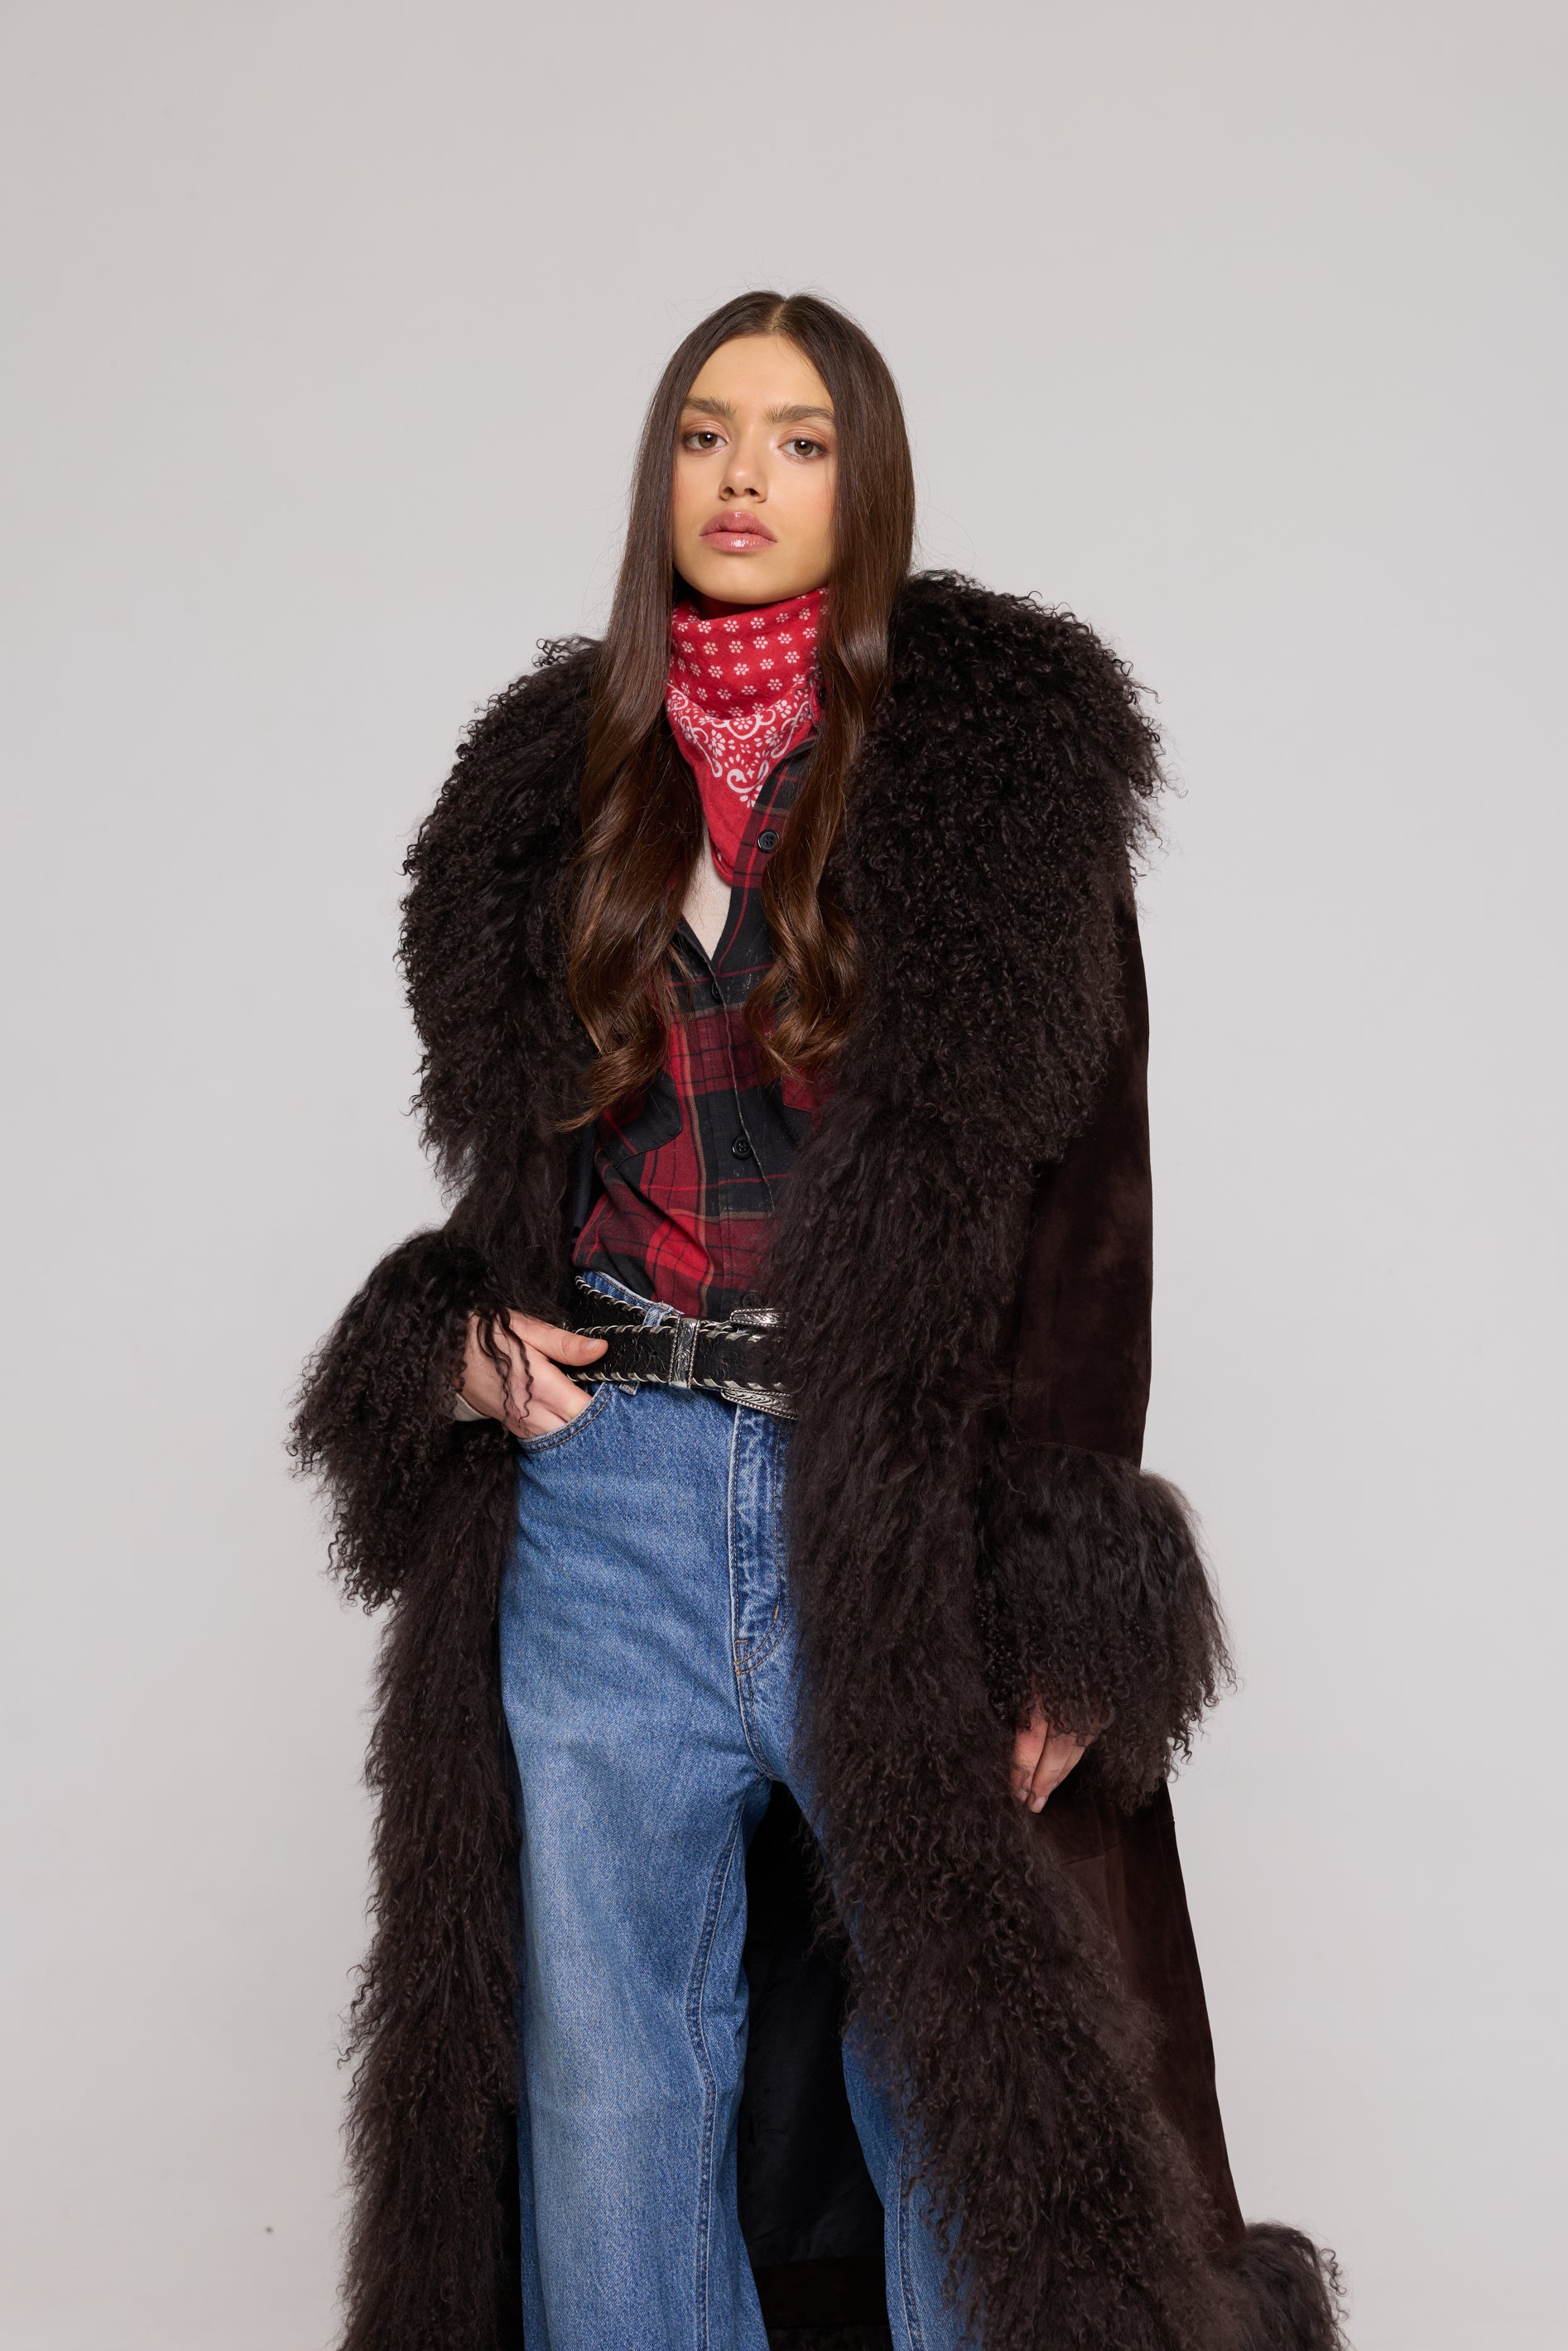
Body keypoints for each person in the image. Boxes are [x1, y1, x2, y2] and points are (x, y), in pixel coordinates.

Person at [294, 291, 1343, 2351]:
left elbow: (1090, 1214)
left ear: (866, 484)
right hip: (605, 1501)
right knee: (608, 2088)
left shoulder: (990, 784)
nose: (741, 476)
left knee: (953, 2083)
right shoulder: (547, 790)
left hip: (888, 1510)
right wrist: (462, 1341)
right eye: (704, 433)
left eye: (795, 439)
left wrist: (1060, 1595)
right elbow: (523, 1185)